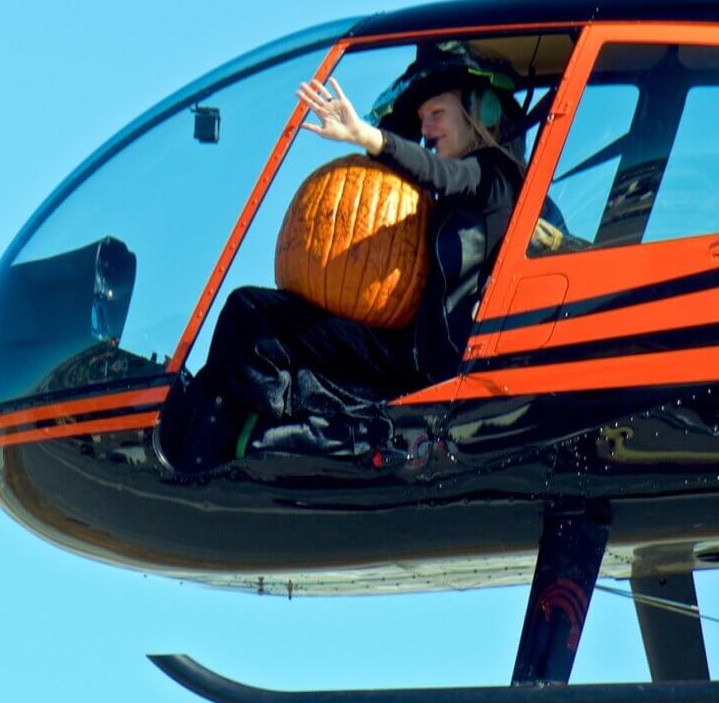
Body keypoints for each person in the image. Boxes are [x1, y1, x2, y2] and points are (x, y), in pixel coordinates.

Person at [163, 47, 526, 472]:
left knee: (248, 313)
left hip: (426, 364)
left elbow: (443, 173)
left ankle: (231, 447)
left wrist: (365, 137)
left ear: (479, 112)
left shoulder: (497, 175)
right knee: (257, 322)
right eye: (423, 118)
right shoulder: (462, 191)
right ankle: (204, 424)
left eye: (437, 113)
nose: (426, 128)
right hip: (409, 347)